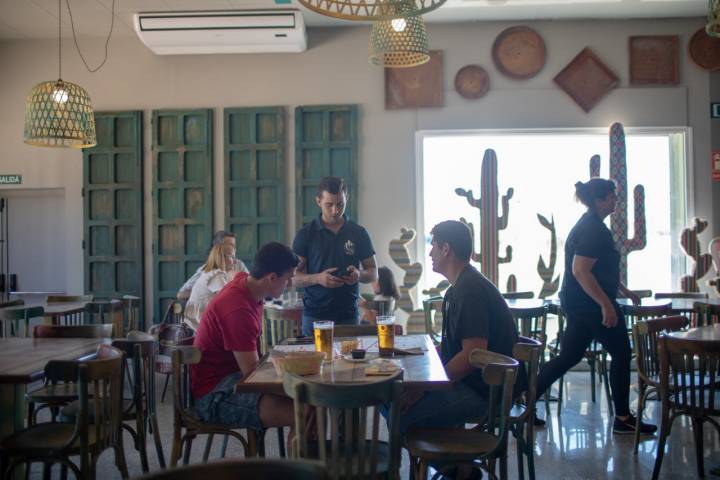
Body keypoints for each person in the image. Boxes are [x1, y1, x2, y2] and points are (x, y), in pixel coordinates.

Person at [535, 178, 657, 435]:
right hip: (590, 304)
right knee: (622, 354)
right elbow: (581, 271)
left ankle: (525, 396)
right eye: (612, 195)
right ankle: (623, 418)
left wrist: (623, 290)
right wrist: (606, 305)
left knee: (569, 356)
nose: (616, 199)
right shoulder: (593, 229)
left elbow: (598, 267)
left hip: (580, 303)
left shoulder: (591, 224)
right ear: (600, 200)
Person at [395, 220, 522, 435]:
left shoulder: (469, 291)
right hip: (475, 383)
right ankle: (457, 466)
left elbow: (472, 356)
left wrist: (425, 386)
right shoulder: (459, 287)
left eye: (433, 246)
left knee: (401, 420)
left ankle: (459, 469)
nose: (430, 253)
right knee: (395, 399)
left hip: (487, 392)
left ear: (446, 249)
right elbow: (453, 347)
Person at [191, 242, 299, 437]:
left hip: (233, 378)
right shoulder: (238, 309)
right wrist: (296, 387)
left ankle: (305, 463)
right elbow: (253, 375)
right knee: (305, 410)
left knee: (307, 403)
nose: (290, 284)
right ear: (272, 278)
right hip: (213, 394)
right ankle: (304, 466)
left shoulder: (245, 282)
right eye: (288, 279)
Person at [292, 176, 378, 336]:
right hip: (315, 316)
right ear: (318, 201)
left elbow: (373, 273)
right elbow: (291, 277)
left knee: (350, 361)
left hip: (349, 316)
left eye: (340, 204)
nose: (335, 210)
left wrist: (358, 275)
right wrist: (318, 278)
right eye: (329, 205)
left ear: (347, 199)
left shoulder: (358, 233)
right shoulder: (306, 234)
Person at [177, 230, 248, 300]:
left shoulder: (239, 265)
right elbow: (181, 295)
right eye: (228, 246)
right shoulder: (209, 271)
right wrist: (204, 292)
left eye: (233, 246)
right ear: (217, 249)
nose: (233, 249)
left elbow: (249, 286)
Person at [183, 243, 238, 331]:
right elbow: (229, 300)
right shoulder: (217, 275)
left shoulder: (211, 272)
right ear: (222, 258)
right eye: (232, 257)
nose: (235, 261)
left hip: (196, 316)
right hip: (197, 321)